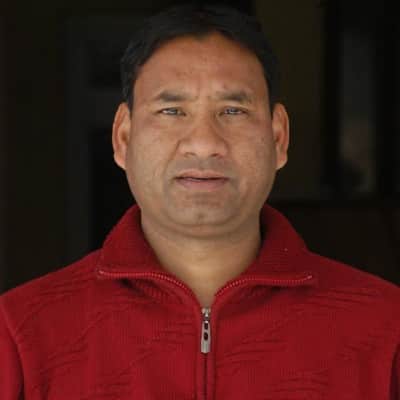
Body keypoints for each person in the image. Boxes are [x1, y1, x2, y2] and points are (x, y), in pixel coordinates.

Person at [1, 3, 399, 399]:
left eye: (233, 110)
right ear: (123, 137)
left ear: (278, 138)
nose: (204, 143)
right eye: (172, 110)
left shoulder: (386, 329)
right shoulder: (21, 334)